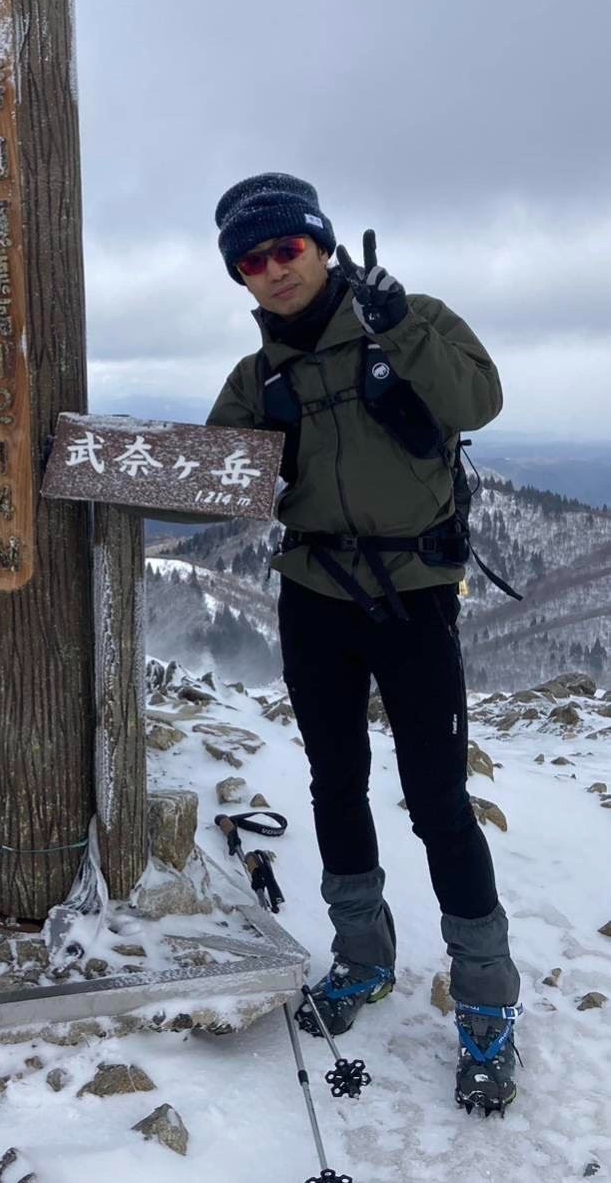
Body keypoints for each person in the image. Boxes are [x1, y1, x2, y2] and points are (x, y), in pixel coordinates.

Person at [208, 172, 521, 1116]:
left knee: (436, 797)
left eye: (285, 250)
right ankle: (362, 958)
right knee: (334, 781)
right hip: (314, 595)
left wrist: (404, 328)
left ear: (322, 245)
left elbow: (479, 402)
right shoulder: (256, 377)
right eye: (250, 261)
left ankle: (486, 1001)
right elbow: (219, 474)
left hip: (416, 595)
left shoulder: (407, 318)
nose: (271, 271)